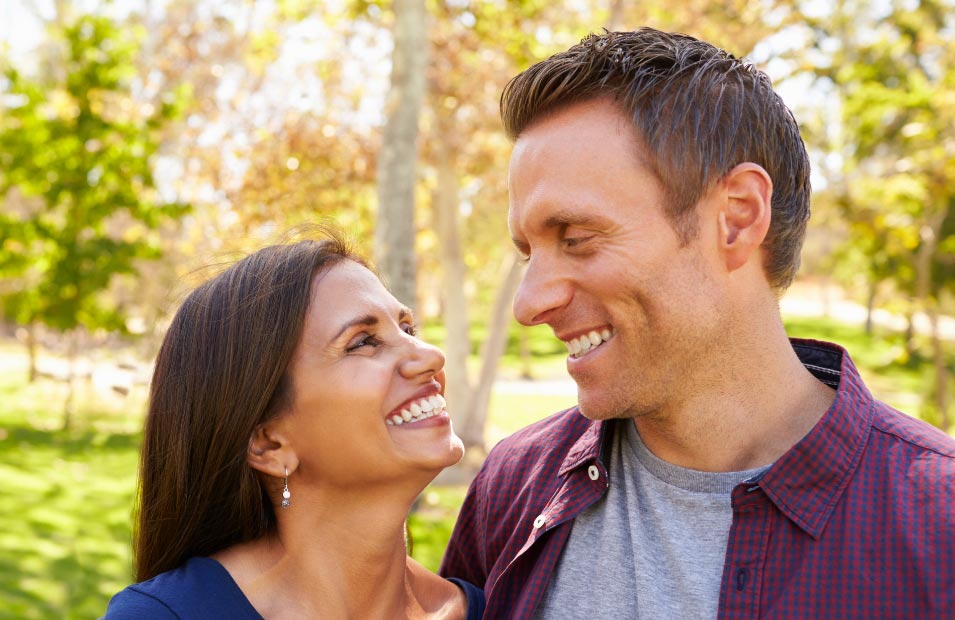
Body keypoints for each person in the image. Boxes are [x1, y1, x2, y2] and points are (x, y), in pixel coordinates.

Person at [439, 28, 955, 619]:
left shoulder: (939, 532)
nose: (528, 304)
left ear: (736, 219)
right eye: (529, 254)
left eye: (577, 239)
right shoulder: (514, 486)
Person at [104, 232, 485, 619]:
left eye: (407, 330)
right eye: (363, 342)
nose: (430, 356)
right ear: (269, 444)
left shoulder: (484, 609)